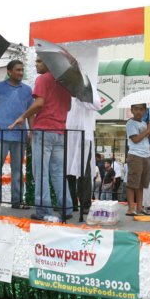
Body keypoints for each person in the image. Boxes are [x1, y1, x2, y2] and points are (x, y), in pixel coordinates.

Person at [10, 56, 72, 222]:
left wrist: (23, 116)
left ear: (50, 62)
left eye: (39, 61)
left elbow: (39, 103)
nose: (36, 64)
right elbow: (68, 106)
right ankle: (66, 207)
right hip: (60, 131)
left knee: (41, 173)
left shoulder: (43, 79)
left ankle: (43, 210)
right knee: (58, 172)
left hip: (44, 129)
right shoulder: (65, 81)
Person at [0, 60, 33, 211]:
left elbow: (31, 112)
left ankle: (17, 201)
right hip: (1, 135)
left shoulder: (27, 90)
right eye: (17, 70)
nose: (20, 72)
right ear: (9, 71)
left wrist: (32, 132)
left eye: (22, 70)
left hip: (20, 135)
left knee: (18, 170)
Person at [66, 79, 103, 213]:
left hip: (84, 136)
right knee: (68, 170)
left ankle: (85, 204)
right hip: (68, 134)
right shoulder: (64, 86)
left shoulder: (88, 87)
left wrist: (79, 96)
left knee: (84, 171)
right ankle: (71, 203)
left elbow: (97, 105)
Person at [125, 103, 150, 216]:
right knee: (132, 182)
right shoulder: (130, 123)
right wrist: (147, 130)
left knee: (141, 183)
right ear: (131, 110)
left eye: (141, 109)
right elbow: (135, 139)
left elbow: (145, 138)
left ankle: (139, 207)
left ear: (145, 111)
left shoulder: (144, 123)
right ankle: (131, 208)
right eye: (136, 109)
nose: (138, 111)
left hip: (146, 155)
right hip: (135, 155)